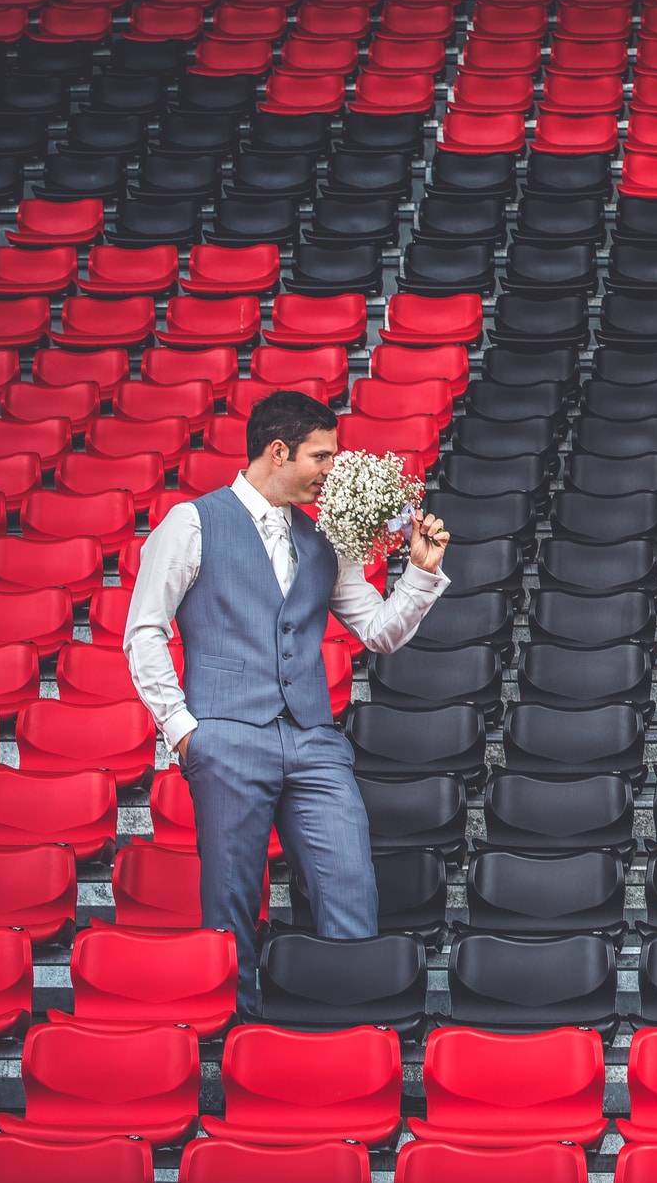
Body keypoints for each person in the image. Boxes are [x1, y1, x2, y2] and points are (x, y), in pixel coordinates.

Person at [125, 391, 451, 1012]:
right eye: (321, 456)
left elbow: (378, 632)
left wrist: (420, 573)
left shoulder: (327, 536)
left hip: (313, 738)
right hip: (225, 735)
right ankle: (238, 1034)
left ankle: (353, 1023)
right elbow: (144, 631)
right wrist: (184, 730)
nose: (332, 469)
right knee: (230, 901)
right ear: (279, 452)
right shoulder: (191, 523)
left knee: (349, 883)